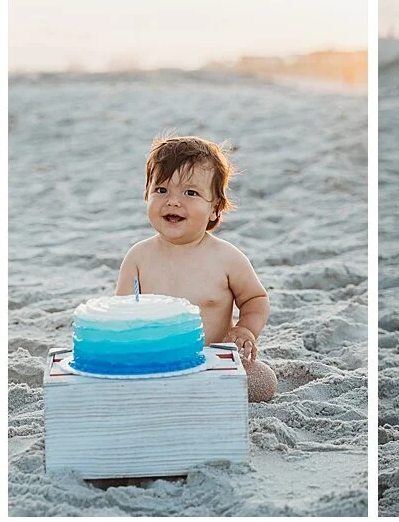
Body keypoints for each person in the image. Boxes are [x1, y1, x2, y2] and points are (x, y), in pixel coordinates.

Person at [116, 134, 278, 402]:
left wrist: (245, 329)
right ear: (147, 195)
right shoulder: (138, 257)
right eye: (161, 190)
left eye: (190, 193)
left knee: (261, 382)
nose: (173, 201)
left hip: (212, 364)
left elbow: (255, 298)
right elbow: (122, 313)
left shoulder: (227, 258)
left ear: (215, 209)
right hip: (155, 364)